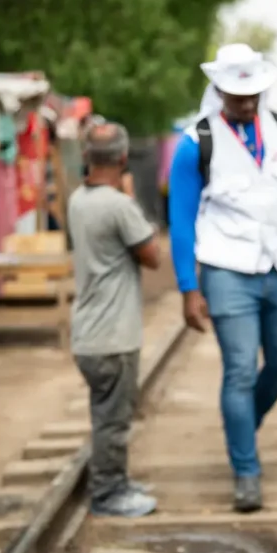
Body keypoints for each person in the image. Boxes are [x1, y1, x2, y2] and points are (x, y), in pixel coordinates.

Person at [168, 43, 277, 512]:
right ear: (218, 89)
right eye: (237, 95)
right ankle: (246, 470)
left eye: (254, 94)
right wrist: (187, 287)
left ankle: (240, 424)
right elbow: (180, 219)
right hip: (226, 271)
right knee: (239, 370)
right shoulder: (194, 142)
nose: (246, 103)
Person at [68, 121, 162, 517]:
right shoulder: (119, 206)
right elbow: (153, 256)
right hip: (114, 336)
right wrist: (131, 199)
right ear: (124, 159)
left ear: (87, 157)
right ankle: (108, 494)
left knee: (103, 414)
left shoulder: (78, 200)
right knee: (114, 422)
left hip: (88, 332)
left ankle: (115, 481)